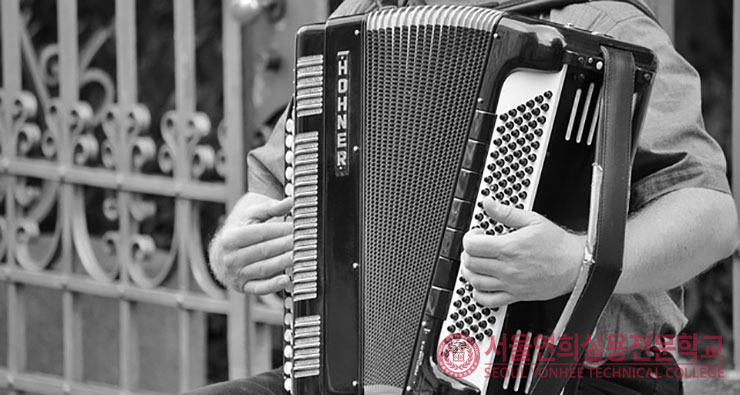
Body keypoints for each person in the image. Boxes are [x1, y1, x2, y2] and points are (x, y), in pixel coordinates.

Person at [192, 0, 738, 393]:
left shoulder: (607, 25)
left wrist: (576, 262)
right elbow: (270, 188)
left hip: (579, 375)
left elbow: (711, 216)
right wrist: (235, 245)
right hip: (363, 374)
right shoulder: (357, 23)